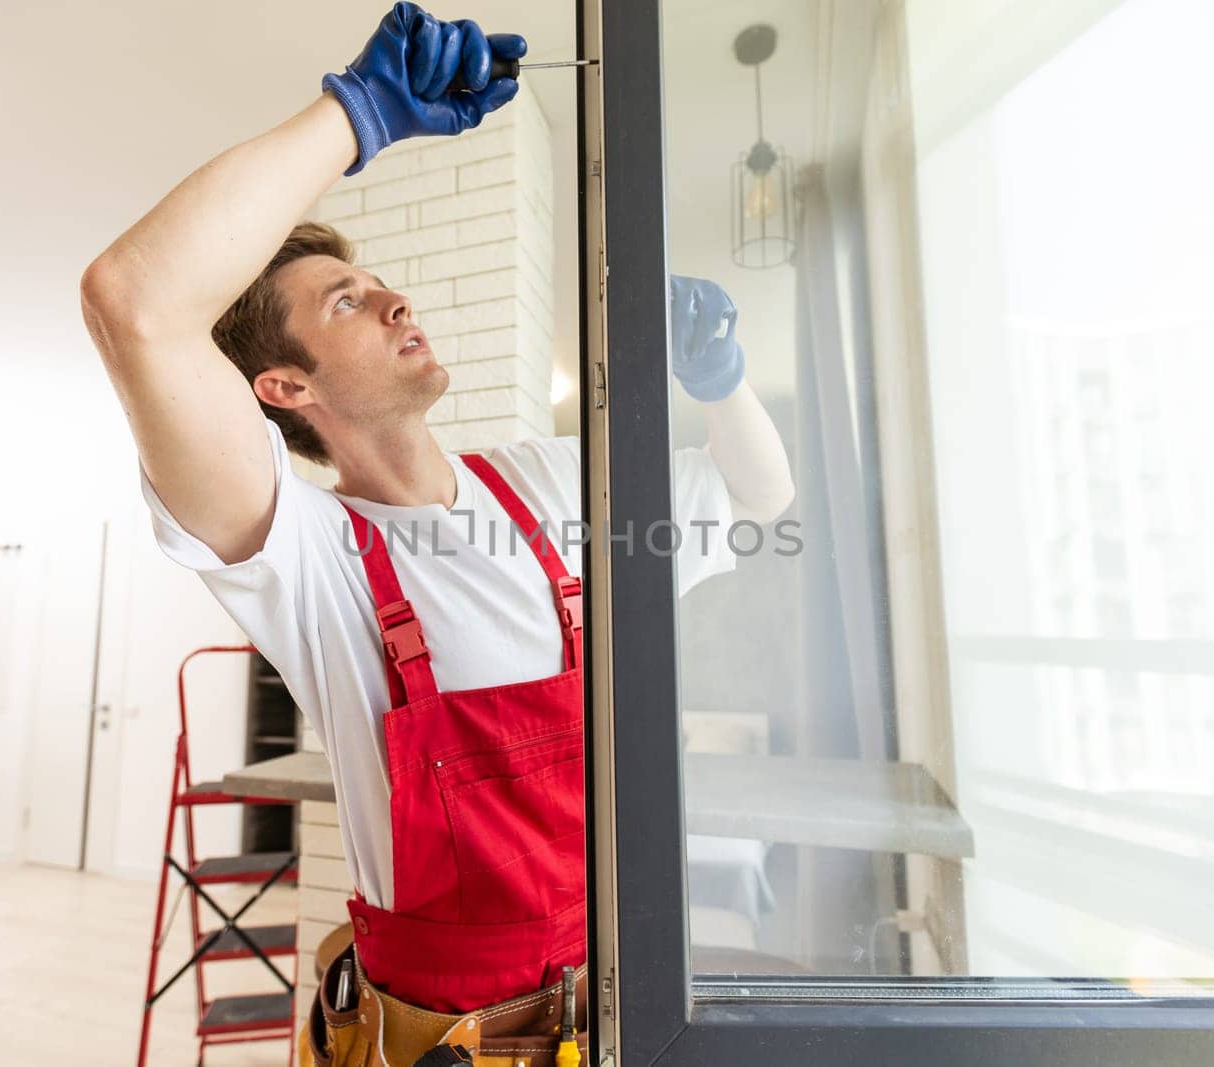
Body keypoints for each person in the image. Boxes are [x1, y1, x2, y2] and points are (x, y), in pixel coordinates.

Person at [79, 3, 794, 1064]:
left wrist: (722, 386)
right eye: (346, 302)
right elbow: (132, 298)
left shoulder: (547, 483)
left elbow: (758, 502)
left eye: (378, 284)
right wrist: (356, 114)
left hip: (620, 1015)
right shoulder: (304, 555)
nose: (393, 300)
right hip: (440, 1049)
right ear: (285, 386)